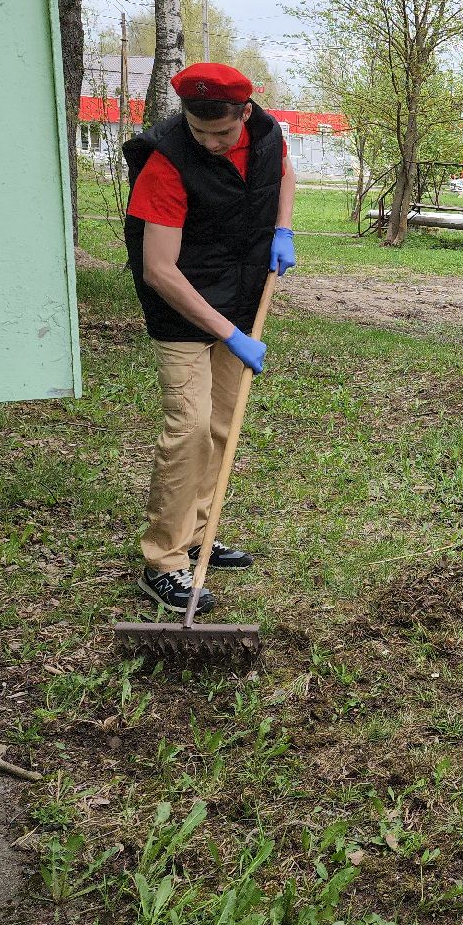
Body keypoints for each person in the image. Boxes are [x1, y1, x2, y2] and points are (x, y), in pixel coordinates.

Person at [122, 62, 297, 613]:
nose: (211, 143)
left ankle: (199, 532)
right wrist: (231, 335)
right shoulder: (167, 161)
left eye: (222, 133)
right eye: (200, 132)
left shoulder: (266, 135)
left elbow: (283, 170)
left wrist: (284, 228)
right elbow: (159, 270)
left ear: (245, 113)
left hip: (239, 297)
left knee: (223, 422)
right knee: (190, 429)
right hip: (182, 312)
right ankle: (165, 561)